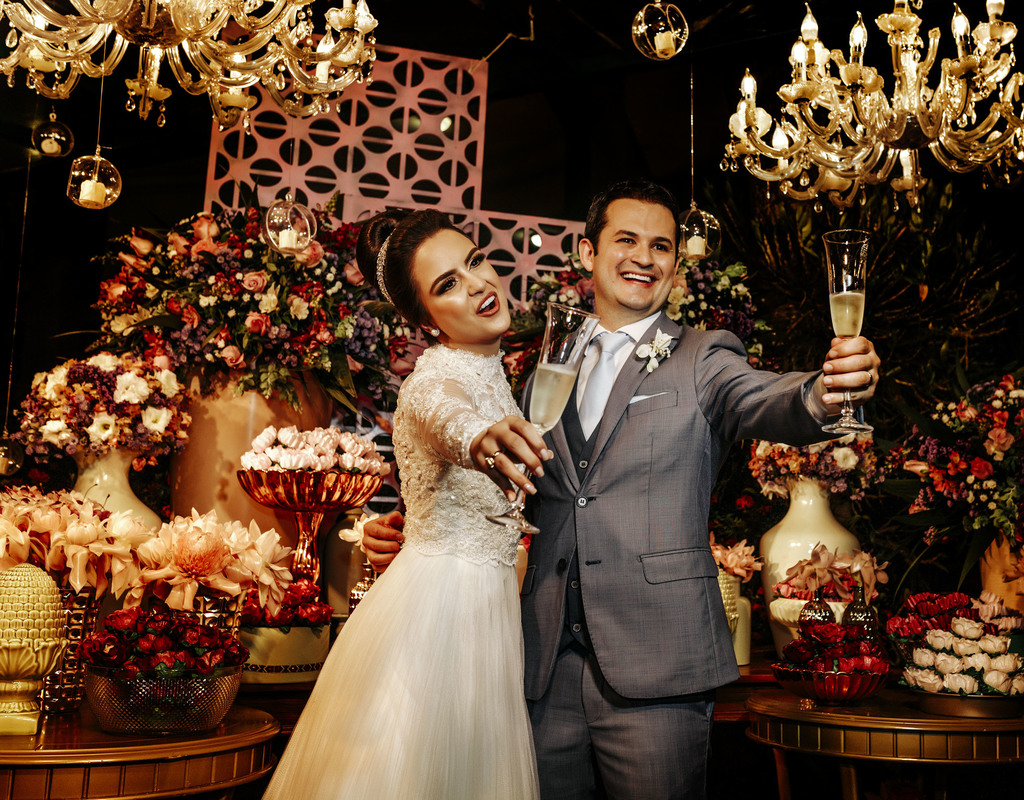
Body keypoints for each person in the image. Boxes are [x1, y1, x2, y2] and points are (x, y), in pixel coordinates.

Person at [363, 180, 881, 799]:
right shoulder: (538, 364)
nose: (645, 257)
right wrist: (417, 535)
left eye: (661, 245)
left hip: (656, 663)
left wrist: (823, 391)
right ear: (588, 254)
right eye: (626, 240)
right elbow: (504, 480)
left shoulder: (703, 356)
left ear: (676, 263)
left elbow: (763, 398)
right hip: (539, 664)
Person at [263, 209, 552, 800]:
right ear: (424, 319)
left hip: (486, 612)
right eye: (447, 284)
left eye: (474, 262)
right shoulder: (430, 383)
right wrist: (482, 438)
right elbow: (449, 418)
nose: (476, 284)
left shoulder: (491, 369)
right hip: (441, 623)